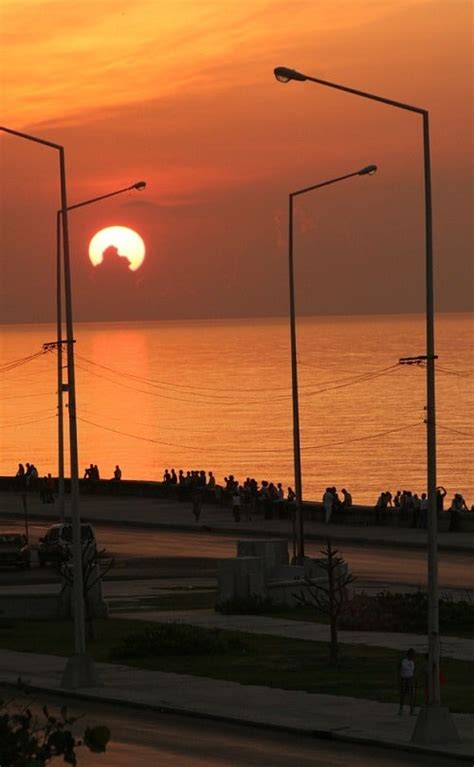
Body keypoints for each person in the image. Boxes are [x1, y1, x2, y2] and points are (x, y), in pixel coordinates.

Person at [398, 648, 416, 715]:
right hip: (404, 679)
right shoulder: (403, 661)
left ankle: (411, 710)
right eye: (412, 655)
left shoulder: (412, 662)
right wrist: (399, 679)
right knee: (403, 695)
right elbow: (399, 669)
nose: (413, 656)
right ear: (409, 654)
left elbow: (412, 671)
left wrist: (413, 679)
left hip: (410, 679)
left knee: (411, 695)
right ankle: (401, 709)